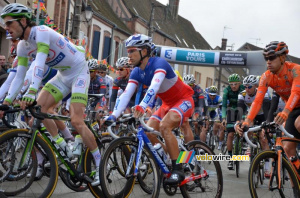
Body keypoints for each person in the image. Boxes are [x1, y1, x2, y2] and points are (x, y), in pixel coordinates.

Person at [1, 3, 100, 185]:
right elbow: (18, 76)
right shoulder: (23, 46)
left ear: (23, 21)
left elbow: (39, 63)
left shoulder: (42, 31)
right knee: (40, 108)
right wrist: (6, 101)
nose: (6, 28)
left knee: (77, 120)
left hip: (78, 70)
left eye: (9, 23)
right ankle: (62, 146)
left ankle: (100, 167)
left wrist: (31, 91)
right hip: (63, 75)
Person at [105, 34, 195, 185]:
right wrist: (113, 116)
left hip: (183, 99)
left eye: (132, 51)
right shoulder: (135, 71)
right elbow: (126, 94)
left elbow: (154, 86)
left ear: (145, 51)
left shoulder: (159, 63)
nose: (129, 55)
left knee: (165, 126)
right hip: (167, 104)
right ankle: (171, 156)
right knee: (148, 132)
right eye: (127, 51)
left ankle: (178, 169)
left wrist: (143, 105)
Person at [236, 41, 300, 160]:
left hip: (292, 107)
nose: (268, 61)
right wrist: (247, 121)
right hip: (293, 110)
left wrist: (285, 112)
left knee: (299, 123)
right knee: (287, 150)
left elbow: (296, 93)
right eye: (266, 58)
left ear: (282, 57)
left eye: (272, 58)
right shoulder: (266, 76)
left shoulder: (295, 70)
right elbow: (257, 101)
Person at [221, 73, 245, 170]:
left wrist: (244, 117)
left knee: (243, 128)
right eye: (231, 84)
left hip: (242, 109)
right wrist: (223, 118)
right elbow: (223, 105)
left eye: (235, 84)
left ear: (239, 83)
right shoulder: (227, 90)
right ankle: (231, 159)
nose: (233, 86)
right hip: (231, 111)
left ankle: (243, 142)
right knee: (230, 134)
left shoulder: (243, 88)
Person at [183, 74, 206, 140]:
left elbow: (201, 104)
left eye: (190, 85)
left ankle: (197, 136)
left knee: (195, 122)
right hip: (188, 107)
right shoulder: (183, 89)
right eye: (186, 85)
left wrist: (197, 115)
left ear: (193, 84)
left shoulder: (198, 90)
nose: (188, 87)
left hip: (197, 107)